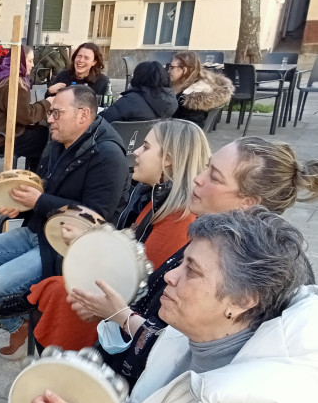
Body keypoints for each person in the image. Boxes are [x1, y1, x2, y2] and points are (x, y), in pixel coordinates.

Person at [32, 208, 318, 403]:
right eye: (181, 263)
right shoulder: (186, 335)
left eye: (191, 271)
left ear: (242, 301)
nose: (169, 275)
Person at [69, 136, 318, 386]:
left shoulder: (255, 269)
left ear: (249, 203)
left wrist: (121, 315)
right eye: (207, 166)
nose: (198, 178)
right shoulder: (214, 239)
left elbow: (190, 357)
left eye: (215, 176)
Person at [0, 85, 129, 359]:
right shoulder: (59, 141)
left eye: (57, 113)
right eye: (51, 112)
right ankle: (22, 324)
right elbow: (45, 188)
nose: (49, 118)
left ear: (83, 115)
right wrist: (22, 208)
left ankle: (27, 319)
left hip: (68, 247)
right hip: (38, 230)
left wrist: (37, 202)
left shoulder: (108, 155)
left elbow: (97, 216)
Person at [27, 120, 209, 353]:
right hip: (125, 312)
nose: (136, 152)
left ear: (168, 159)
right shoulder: (153, 199)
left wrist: (87, 243)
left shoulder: (176, 220)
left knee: (59, 291)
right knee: (56, 288)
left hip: (131, 323)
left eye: (145, 146)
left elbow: (133, 285)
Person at [0, 46, 52, 172]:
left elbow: (21, 112)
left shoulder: (5, 78)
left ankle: (33, 175)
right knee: (46, 140)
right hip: (1, 139)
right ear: (19, 61)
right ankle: (36, 178)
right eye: (29, 61)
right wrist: (47, 103)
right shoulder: (14, 85)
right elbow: (26, 116)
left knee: (42, 133)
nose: (33, 65)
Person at [168, 51, 234, 128]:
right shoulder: (186, 85)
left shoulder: (192, 96)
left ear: (184, 70)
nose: (169, 71)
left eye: (172, 67)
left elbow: (189, 128)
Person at [99, 61, 178, 123]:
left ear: (138, 77)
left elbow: (101, 120)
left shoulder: (130, 101)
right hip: (150, 142)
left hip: (123, 141)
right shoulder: (171, 99)